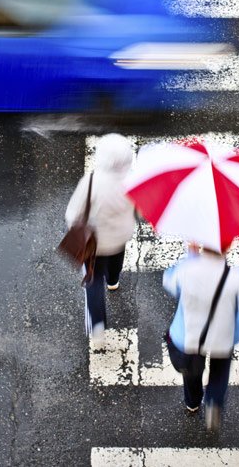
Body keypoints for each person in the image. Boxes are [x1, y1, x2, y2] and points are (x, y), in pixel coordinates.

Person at [162, 243, 239, 431]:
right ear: (228, 247)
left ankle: (193, 402)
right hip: (223, 335)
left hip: (191, 337)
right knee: (220, 373)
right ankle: (214, 401)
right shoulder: (237, 277)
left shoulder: (187, 269)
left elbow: (169, 282)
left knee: (192, 373)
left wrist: (191, 256)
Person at [65, 133, 136, 349]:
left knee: (93, 281)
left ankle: (97, 326)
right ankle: (113, 282)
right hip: (121, 235)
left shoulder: (91, 182)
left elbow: (73, 214)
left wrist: (74, 228)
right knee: (116, 260)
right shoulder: (132, 181)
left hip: (95, 243)